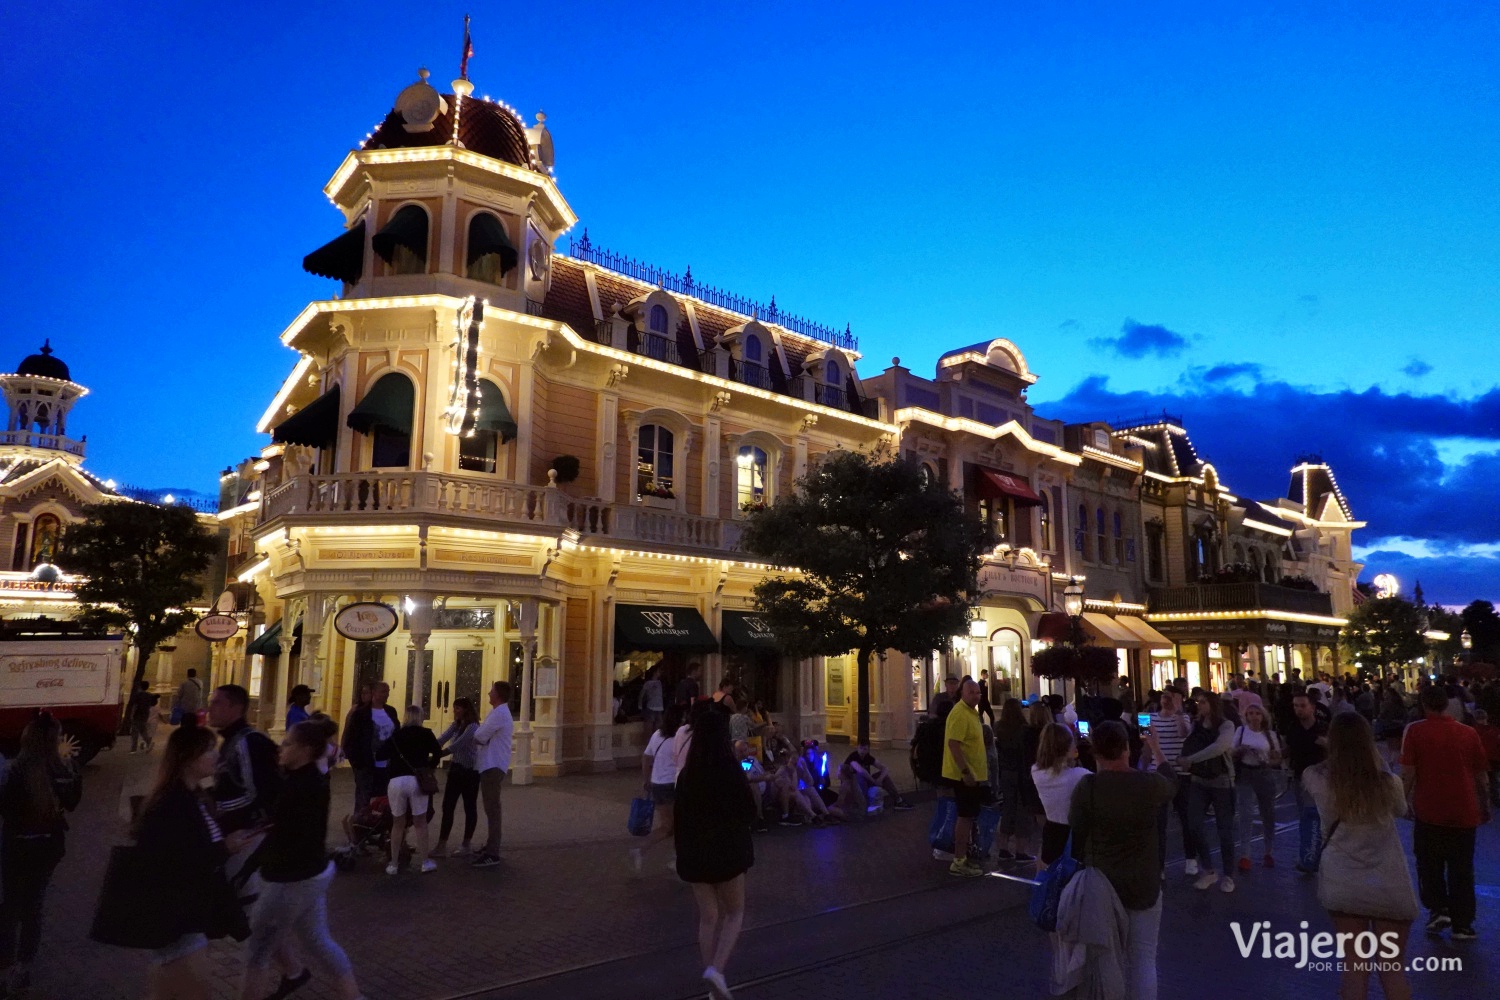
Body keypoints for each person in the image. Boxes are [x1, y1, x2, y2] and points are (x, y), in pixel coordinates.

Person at [240, 721, 363, 1000]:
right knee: (317, 939)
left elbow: (286, 832)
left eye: (288, 743)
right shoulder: (305, 780)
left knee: (257, 948)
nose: (282, 748)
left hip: (289, 878)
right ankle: (352, 995)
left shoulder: (303, 786)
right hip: (308, 873)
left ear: (305, 750)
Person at [1303, 713, 1419, 1000]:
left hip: (1342, 881)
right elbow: (1401, 810)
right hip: (1387, 882)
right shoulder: (1388, 783)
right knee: (1392, 970)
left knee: (1354, 968)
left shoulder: (1316, 778)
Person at [134, 725, 251, 1000]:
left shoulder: (194, 798)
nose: (216, 755)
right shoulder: (172, 805)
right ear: (188, 757)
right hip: (178, 920)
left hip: (189, 918)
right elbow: (177, 862)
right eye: (209, 749)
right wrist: (225, 848)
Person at [1067, 721, 1177, 1000]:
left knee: (1106, 961)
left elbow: (1077, 828)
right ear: (1126, 749)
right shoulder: (1147, 785)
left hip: (1102, 883)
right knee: (1143, 960)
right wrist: (1156, 750)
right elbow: (1172, 784)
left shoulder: (1088, 787)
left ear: (1096, 753)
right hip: (1143, 883)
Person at [673, 705, 755, 1000]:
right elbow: (748, 810)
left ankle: (710, 975)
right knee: (734, 912)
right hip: (728, 852)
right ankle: (717, 970)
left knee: (708, 917)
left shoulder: (687, 776)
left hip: (695, 854)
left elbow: (678, 818)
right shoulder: (730, 770)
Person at [1401, 684, 1491, 941]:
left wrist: (1402, 801)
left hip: (1429, 810)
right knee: (1462, 868)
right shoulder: (1468, 733)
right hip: (1463, 811)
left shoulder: (1416, 732)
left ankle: (1438, 909)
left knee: (1429, 864)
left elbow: (1408, 773)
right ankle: (1463, 923)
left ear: (1424, 704)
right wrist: (1484, 806)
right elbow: (1481, 775)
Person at [0, 714, 80, 994]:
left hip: (17, 844)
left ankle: (4, 967)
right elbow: (71, 804)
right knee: (34, 905)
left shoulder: (16, 769)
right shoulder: (60, 769)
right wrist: (72, 770)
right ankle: (23, 967)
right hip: (48, 847)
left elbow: (6, 809)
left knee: (9, 906)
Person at [207, 684, 282, 891]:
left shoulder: (248, 742)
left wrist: (217, 807)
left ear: (235, 708)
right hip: (234, 835)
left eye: (217, 703)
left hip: (248, 837)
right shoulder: (231, 742)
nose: (210, 708)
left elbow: (255, 792)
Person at [1180, 691, 1238, 892]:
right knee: (1193, 822)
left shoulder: (1226, 725)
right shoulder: (1196, 725)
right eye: (1199, 702)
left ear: (1213, 704)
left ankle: (1228, 875)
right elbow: (1185, 739)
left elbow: (1219, 747)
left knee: (1225, 830)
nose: (1200, 706)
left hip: (1221, 781)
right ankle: (1210, 870)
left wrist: (1192, 759)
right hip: (1199, 780)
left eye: (1203, 702)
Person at [1142, 687, 1194, 875]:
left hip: (1180, 774)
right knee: (1159, 823)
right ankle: (1159, 865)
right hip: (1157, 774)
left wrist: (1179, 711)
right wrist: (1143, 768)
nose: (1166, 699)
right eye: (1164, 696)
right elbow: (1146, 747)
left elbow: (1183, 733)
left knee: (1186, 819)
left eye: (1171, 697)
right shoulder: (1149, 718)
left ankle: (1191, 858)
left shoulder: (1184, 718)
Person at [384, 706, 441, 876]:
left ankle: (393, 863)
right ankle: (425, 861)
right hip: (416, 780)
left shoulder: (395, 736)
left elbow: (382, 754)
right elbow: (437, 753)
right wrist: (429, 768)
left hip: (396, 780)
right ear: (420, 717)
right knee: (420, 822)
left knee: (397, 823)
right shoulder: (426, 733)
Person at [942, 678, 988, 877]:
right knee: (965, 816)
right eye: (972, 692)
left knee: (968, 816)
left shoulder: (971, 713)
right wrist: (965, 772)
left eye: (978, 692)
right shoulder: (960, 713)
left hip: (973, 774)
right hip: (964, 776)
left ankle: (963, 856)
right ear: (963, 693)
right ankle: (959, 860)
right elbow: (954, 744)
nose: (977, 696)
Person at [632, 704, 684, 873]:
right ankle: (642, 849)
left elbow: (646, 758)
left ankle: (676, 858)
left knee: (673, 825)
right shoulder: (678, 738)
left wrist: (646, 779)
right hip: (672, 784)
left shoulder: (657, 735)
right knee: (670, 826)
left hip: (657, 784)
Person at [1030, 722, 1089, 870]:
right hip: (1072, 833)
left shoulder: (1036, 771)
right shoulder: (1078, 775)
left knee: (1048, 877)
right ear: (1066, 747)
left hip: (1051, 829)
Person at [470, 680, 514, 869]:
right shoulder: (499, 713)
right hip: (491, 764)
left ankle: (492, 852)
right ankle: (490, 845)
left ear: (498, 695)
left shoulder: (499, 714)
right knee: (491, 808)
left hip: (492, 765)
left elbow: (479, 736)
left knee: (492, 809)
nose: (488, 693)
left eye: (491, 691)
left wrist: (480, 737)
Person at [1233, 701, 1282, 871]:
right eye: (1251, 713)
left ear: (1263, 716)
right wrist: (1241, 750)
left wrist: (1267, 759)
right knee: (1245, 813)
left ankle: (1269, 851)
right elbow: (1231, 752)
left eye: (1257, 713)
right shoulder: (1241, 732)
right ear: (1246, 716)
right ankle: (1245, 854)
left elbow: (1277, 758)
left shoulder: (1270, 735)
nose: (1254, 716)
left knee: (1268, 813)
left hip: (1264, 773)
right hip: (1245, 773)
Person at [1286, 691, 1330, 873]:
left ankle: (1318, 856)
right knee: (1306, 817)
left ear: (1312, 707)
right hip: (1300, 778)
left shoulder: (1323, 728)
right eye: (1296, 706)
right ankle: (1309, 856)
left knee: (1321, 818)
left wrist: (1326, 744)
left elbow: (1334, 750)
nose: (1298, 710)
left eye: (1302, 705)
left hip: (1321, 779)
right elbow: (1289, 749)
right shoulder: (1293, 728)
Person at [432, 698, 480, 858]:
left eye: (457, 708)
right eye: (454, 708)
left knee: (469, 806)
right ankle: (441, 844)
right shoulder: (456, 725)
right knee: (448, 806)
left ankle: (466, 843)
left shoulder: (473, 727)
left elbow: (458, 745)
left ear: (466, 709)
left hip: (470, 772)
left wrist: (440, 754)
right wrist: (429, 745)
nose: (455, 711)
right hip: (456, 770)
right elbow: (443, 738)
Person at [341, 682, 399, 816]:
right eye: (384, 691)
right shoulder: (361, 713)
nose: (387, 694)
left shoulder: (390, 711)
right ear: (374, 693)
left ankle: (380, 829)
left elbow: (396, 734)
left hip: (386, 764)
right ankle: (359, 827)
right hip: (366, 763)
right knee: (364, 797)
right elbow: (351, 737)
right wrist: (357, 761)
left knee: (384, 798)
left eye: (388, 691)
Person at [838, 742, 914, 814]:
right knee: (860, 776)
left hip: (864, 782)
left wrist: (880, 779)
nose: (862, 751)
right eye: (861, 748)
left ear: (868, 750)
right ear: (858, 747)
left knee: (884, 777)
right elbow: (861, 771)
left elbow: (885, 769)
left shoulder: (868, 757)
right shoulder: (853, 757)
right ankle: (864, 805)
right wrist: (874, 781)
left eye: (865, 749)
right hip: (853, 785)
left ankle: (898, 801)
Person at [128, 680, 161, 753]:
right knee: (143, 730)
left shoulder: (138, 695)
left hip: (137, 715)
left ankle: (133, 748)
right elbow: (153, 702)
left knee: (135, 732)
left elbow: (135, 706)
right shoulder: (149, 695)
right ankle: (148, 741)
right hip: (145, 714)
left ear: (140, 687)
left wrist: (132, 714)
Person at [638, 665, 664, 738]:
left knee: (658, 728)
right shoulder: (648, 683)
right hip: (651, 707)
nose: (660, 673)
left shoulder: (660, 682)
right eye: (659, 671)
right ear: (655, 672)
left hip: (659, 707)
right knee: (650, 727)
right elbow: (641, 694)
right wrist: (640, 705)